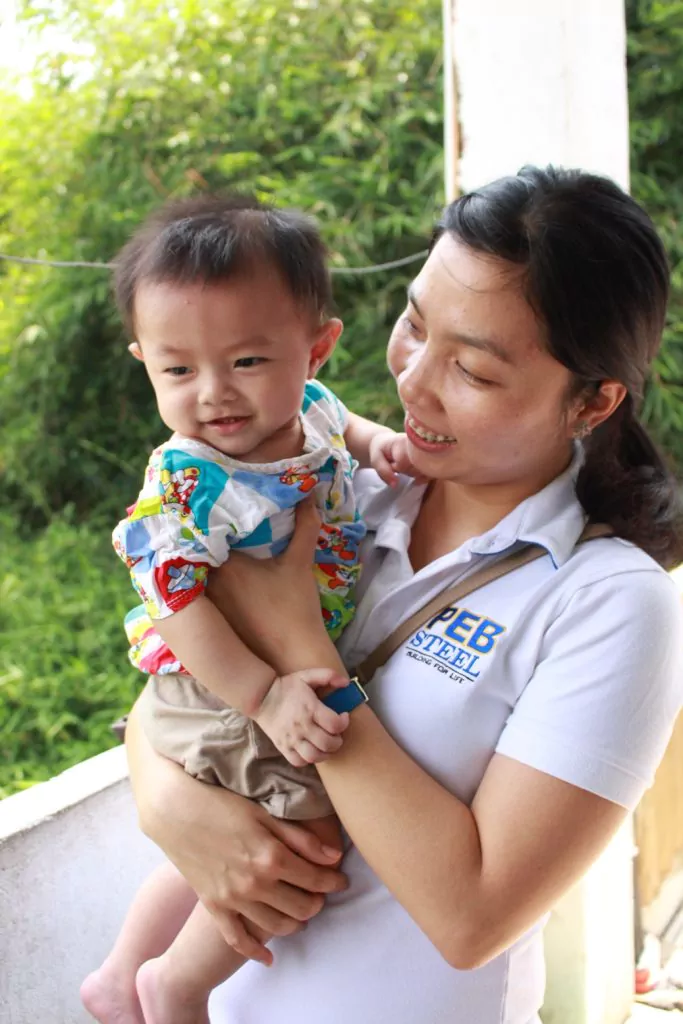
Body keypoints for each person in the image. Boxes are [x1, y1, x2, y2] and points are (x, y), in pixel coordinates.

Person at [124, 166, 683, 1024]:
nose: (414, 382)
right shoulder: (340, 489)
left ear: (591, 401)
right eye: (414, 326)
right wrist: (170, 805)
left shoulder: (608, 602)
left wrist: (304, 647)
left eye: (473, 371)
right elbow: (177, 684)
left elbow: (472, 919)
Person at [80, 194, 415, 1024]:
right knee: (307, 834)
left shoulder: (310, 407)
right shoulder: (190, 484)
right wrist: (263, 698)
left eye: (247, 361)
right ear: (144, 361)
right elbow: (174, 601)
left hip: (261, 667)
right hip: (222, 679)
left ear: (315, 348)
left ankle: (120, 974)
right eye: (178, 371)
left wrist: (378, 445)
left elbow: (343, 422)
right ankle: (175, 985)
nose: (214, 394)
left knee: (243, 827)